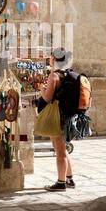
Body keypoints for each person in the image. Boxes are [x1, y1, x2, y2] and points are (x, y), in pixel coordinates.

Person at [40, 47, 75, 191]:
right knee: (60, 148)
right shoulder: (68, 74)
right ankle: (69, 179)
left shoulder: (54, 76)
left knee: (60, 150)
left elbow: (47, 98)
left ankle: (61, 183)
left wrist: (42, 89)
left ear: (54, 59)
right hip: (66, 115)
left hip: (57, 117)